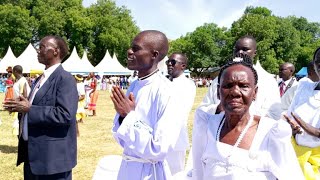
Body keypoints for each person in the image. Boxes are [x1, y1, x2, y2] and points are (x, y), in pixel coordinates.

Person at [192, 55, 304, 180]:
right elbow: (198, 172)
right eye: (228, 85)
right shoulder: (207, 127)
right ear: (218, 92)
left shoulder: (270, 133)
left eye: (243, 86)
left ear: (255, 92)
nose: (235, 92)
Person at [3, 35, 78, 180]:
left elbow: (65, 115)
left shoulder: (65, 79)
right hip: (34, 156)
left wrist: (30, 109)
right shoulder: (39, 79)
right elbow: (35, 106)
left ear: (55, 51)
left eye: (42, 47)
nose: (38, 50)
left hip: (52, 161)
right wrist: (20, 106)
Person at [111, 30, 182, 180]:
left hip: (149, 172)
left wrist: (128, 116)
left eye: (136, 49)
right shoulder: (134, 86)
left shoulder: (167, 91)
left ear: (154, 55)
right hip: (127, 167)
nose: (129, 52)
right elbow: (121, 137)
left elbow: (159, 148)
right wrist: (123, 118)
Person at [199, 35, 281, 120]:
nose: (240, 52)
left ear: (255, 53)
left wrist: (240, 112)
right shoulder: (221, 78)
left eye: (245, 49)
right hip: (220, 130)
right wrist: (219, 108)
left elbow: (274, 114)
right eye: (237, 49)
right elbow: (202, 110)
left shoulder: (268, 80)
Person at [284, 48, 320, 179]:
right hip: (294, 155)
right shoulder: (305, 86)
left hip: (316, 163)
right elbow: (289, 115)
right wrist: (292, 126)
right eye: (317, 61)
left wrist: (303, 125)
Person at [164, 52, 196, 175]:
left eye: (173, 62)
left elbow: (176, 109)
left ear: (183, 66)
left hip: (175, 138)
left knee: (175, 173)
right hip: (158, 138)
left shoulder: (187, 84)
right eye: (168, 62)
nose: (169, 65)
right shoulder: (164, 81)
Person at [11, 65, 30, 135]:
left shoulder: (23, 81)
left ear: (15, 71)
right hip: (18, 107)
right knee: (18, 130)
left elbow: (25, 95)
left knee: (20, 131)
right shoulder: (19, 81)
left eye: (13, 71)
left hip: (21, 109)